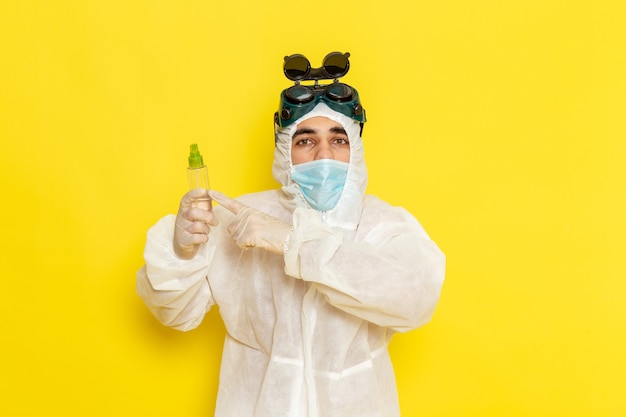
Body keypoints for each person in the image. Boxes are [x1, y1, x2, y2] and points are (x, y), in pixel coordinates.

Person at [136, 52, 445, 417]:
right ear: (285, 151)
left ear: (356, 149)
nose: (323, 156)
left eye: (339, 140)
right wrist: (181, 252)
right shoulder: (242, 219)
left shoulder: (380, 223)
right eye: (305, 141)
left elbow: (416, 298)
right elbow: (176, 314)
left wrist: (290, 241)